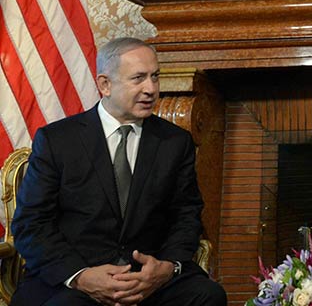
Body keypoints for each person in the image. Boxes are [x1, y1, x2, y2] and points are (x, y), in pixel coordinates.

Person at [11, 38, 228, 306]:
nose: (150, 89)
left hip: (148, 281)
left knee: (208, 296)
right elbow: (31, 224)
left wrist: (165, 267)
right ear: (105, 85)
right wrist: (80, 276)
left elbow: (186, 215)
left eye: (155, 77)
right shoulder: (57, 141)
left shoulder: (174, 142)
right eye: (138, 78)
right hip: (77, 279)